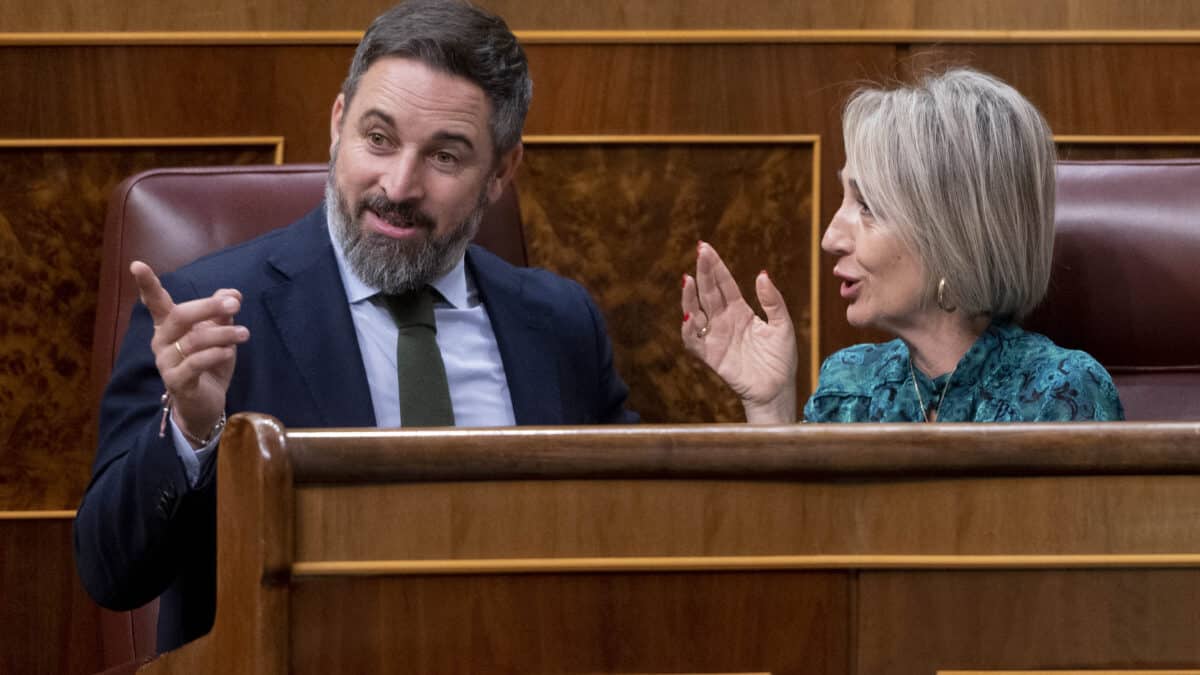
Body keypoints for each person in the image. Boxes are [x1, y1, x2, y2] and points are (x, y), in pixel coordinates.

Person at [74, 0, 637, 653]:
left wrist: (765, 417)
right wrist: (191, 430)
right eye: (379, 138)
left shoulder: (559, 322)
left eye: (445, 157)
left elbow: (629, 531)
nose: (398, 185)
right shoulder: (206, 311)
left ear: (501, 172)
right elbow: (109, 572)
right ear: (339, 123)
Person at [681, 68, 1123, 424]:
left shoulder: (1062, 395)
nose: (830, 238)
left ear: (951, 233)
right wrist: (770, 406)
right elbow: (804, 535)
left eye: (867, 205)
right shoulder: (848, 387)